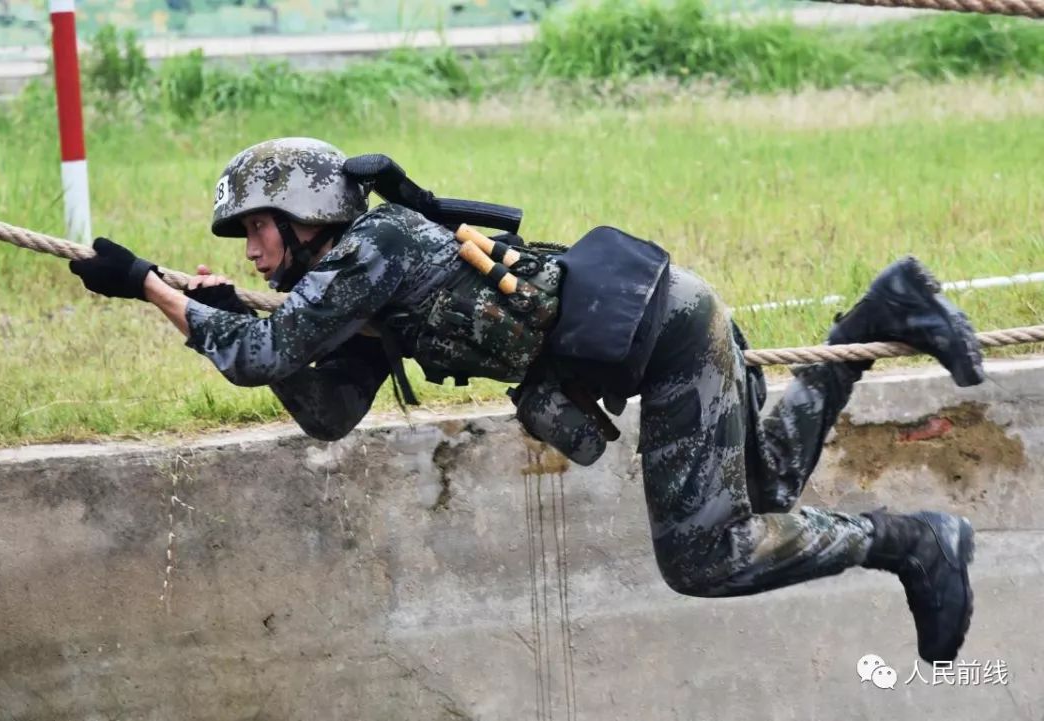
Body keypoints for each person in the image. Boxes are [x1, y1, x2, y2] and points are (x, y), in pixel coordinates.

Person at [70, 137, 983, 664]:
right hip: (659, 328)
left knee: (707, 557)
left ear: (307, 213)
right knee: (772, 489)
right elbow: (324, 408)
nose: (247, 248)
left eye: (255, 228)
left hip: (667, 337)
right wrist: (218, 311)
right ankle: (885, 306)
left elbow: (260, 352)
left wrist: (148, 283)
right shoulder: (350, 287)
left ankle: (913, 542)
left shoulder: (371, 250)